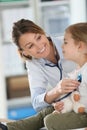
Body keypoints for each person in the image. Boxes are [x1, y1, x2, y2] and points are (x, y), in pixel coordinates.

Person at [0, 19, 80, 130]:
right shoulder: (34, 64)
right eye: (30, 46)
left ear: (43, 33)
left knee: (48, 118)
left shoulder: (70, 43)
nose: (39, 46)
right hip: (72, 102)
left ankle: (8, 128)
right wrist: (56, 91)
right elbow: (37, 102)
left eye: (38, 37)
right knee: (47, 113)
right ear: (24, 52)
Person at [44, 22, 87, 130]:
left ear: (80, 46)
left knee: (50, 121)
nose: (61, 46)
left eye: (66, 42)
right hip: (77, 108)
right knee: (47, 113)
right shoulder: (76, 72)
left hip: (84, 114)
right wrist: (60, 105)